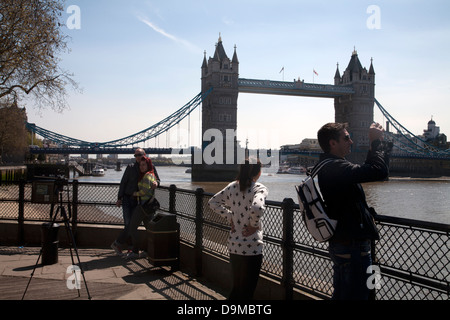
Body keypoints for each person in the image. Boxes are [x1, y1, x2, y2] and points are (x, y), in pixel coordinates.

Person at [316, 122, 391, 300]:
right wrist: (374, 142)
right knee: (356, 297)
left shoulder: (331, 165)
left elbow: (382, 172)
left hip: (349, 245)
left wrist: (380, 142)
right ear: (333, 143)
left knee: (347, 295)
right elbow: (377, 172)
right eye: (347, 137)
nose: (351, 141)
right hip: (352, 248)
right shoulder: (335, 168)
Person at [208, 160, 268, 300]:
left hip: (234, 246)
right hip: (252, 247)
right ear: (258, 173)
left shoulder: (232, 187)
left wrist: (229, 216)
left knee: (236, 289)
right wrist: (253, 225)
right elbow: (257, 208)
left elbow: (213, 202)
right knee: (247, 292)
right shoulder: (259, 188)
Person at [112, 148, 160, 256]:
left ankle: (133, 248)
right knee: (129, 224)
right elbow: (123, 183)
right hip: (128, 199)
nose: (137, 157)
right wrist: (119, 198)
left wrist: (156, 183)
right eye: (136, 155)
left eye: (139, 154)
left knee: (137, 225)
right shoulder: (131, 167)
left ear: (144, 155)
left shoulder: (150, 167)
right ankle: (130, 247)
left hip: (143, 202)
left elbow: (157, 179)